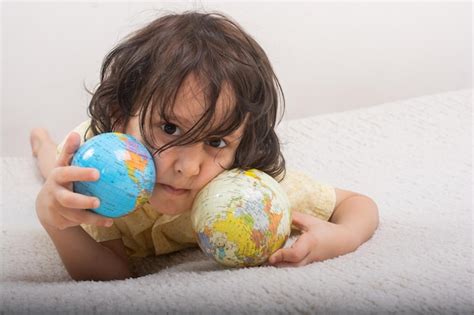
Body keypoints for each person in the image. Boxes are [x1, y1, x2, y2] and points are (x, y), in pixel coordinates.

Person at [30, 11, 379, 281]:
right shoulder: (105, 176)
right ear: (121, 116)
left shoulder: (244, 192)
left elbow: (357, 204)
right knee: (56, 168)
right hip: (89, 146)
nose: (189, 167)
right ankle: (42, 143)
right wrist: (56, 222)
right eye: (170, 128)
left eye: (216, 141)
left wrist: (344, 235)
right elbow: (112, 273)